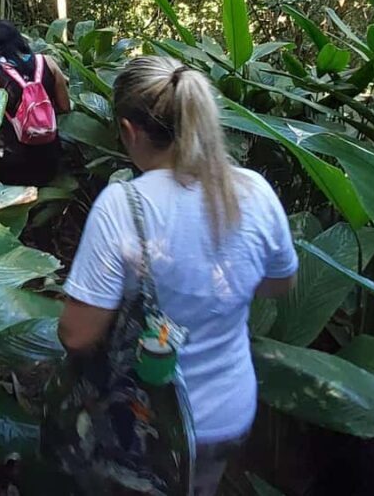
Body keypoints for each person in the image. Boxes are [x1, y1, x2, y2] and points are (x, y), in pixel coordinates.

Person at [55, 56, 299, 495]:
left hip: (149, 418)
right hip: (228, 411)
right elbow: (279, 283)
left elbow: (77, 335)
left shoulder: (122, 206)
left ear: (128, 131)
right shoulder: (254, 191)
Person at [0, 20, 70, 187]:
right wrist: (39, 116)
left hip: (13, 156)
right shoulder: (48, 62)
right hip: (49, 151)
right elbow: (65, 106)